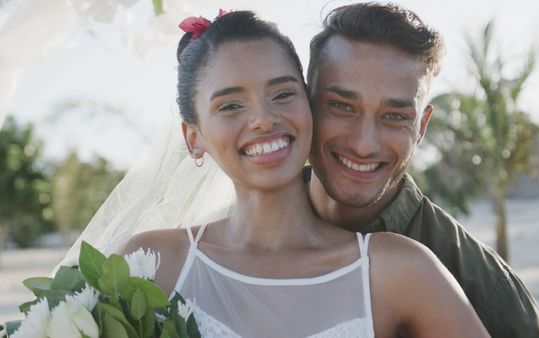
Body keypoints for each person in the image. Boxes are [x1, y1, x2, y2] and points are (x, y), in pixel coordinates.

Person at [123, 10, 489, 338]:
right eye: (231, 105)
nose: (264, 119)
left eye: (282, 94)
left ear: (309, 104)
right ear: (193, 137)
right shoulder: (152, 264)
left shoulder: (398, 270)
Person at [304, 3, 539, 338]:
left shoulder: (484, 289)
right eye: (342, 106)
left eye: (395, 116)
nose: (364, 144)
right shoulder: (236, 228)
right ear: (305, 105)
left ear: (421, 127)